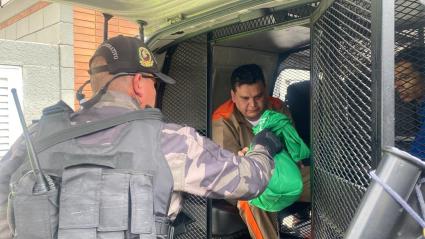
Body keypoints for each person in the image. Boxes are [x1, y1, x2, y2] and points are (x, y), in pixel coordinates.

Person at [0, 35, 283, 239]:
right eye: (154, 83)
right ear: (138, 83)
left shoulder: (36, 136)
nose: (154, 92)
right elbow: (252, 180)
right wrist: (263, 146)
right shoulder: (170, 141)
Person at [212, 64, 295, 239]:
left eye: (258, 96)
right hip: (243, 179)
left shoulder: (277, 107)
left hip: (281, 169)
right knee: (252, 196)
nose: (253, 105)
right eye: (245, 98)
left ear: (265, 91)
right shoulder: (223, 119)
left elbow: (292, 148)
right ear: (233, 96)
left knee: (321, 180)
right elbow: (230, 172)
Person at [395, 46, 425, 159]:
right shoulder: (420, 105)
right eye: (395, 79)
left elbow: (417, 159)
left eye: (405, 77)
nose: (397, 85)